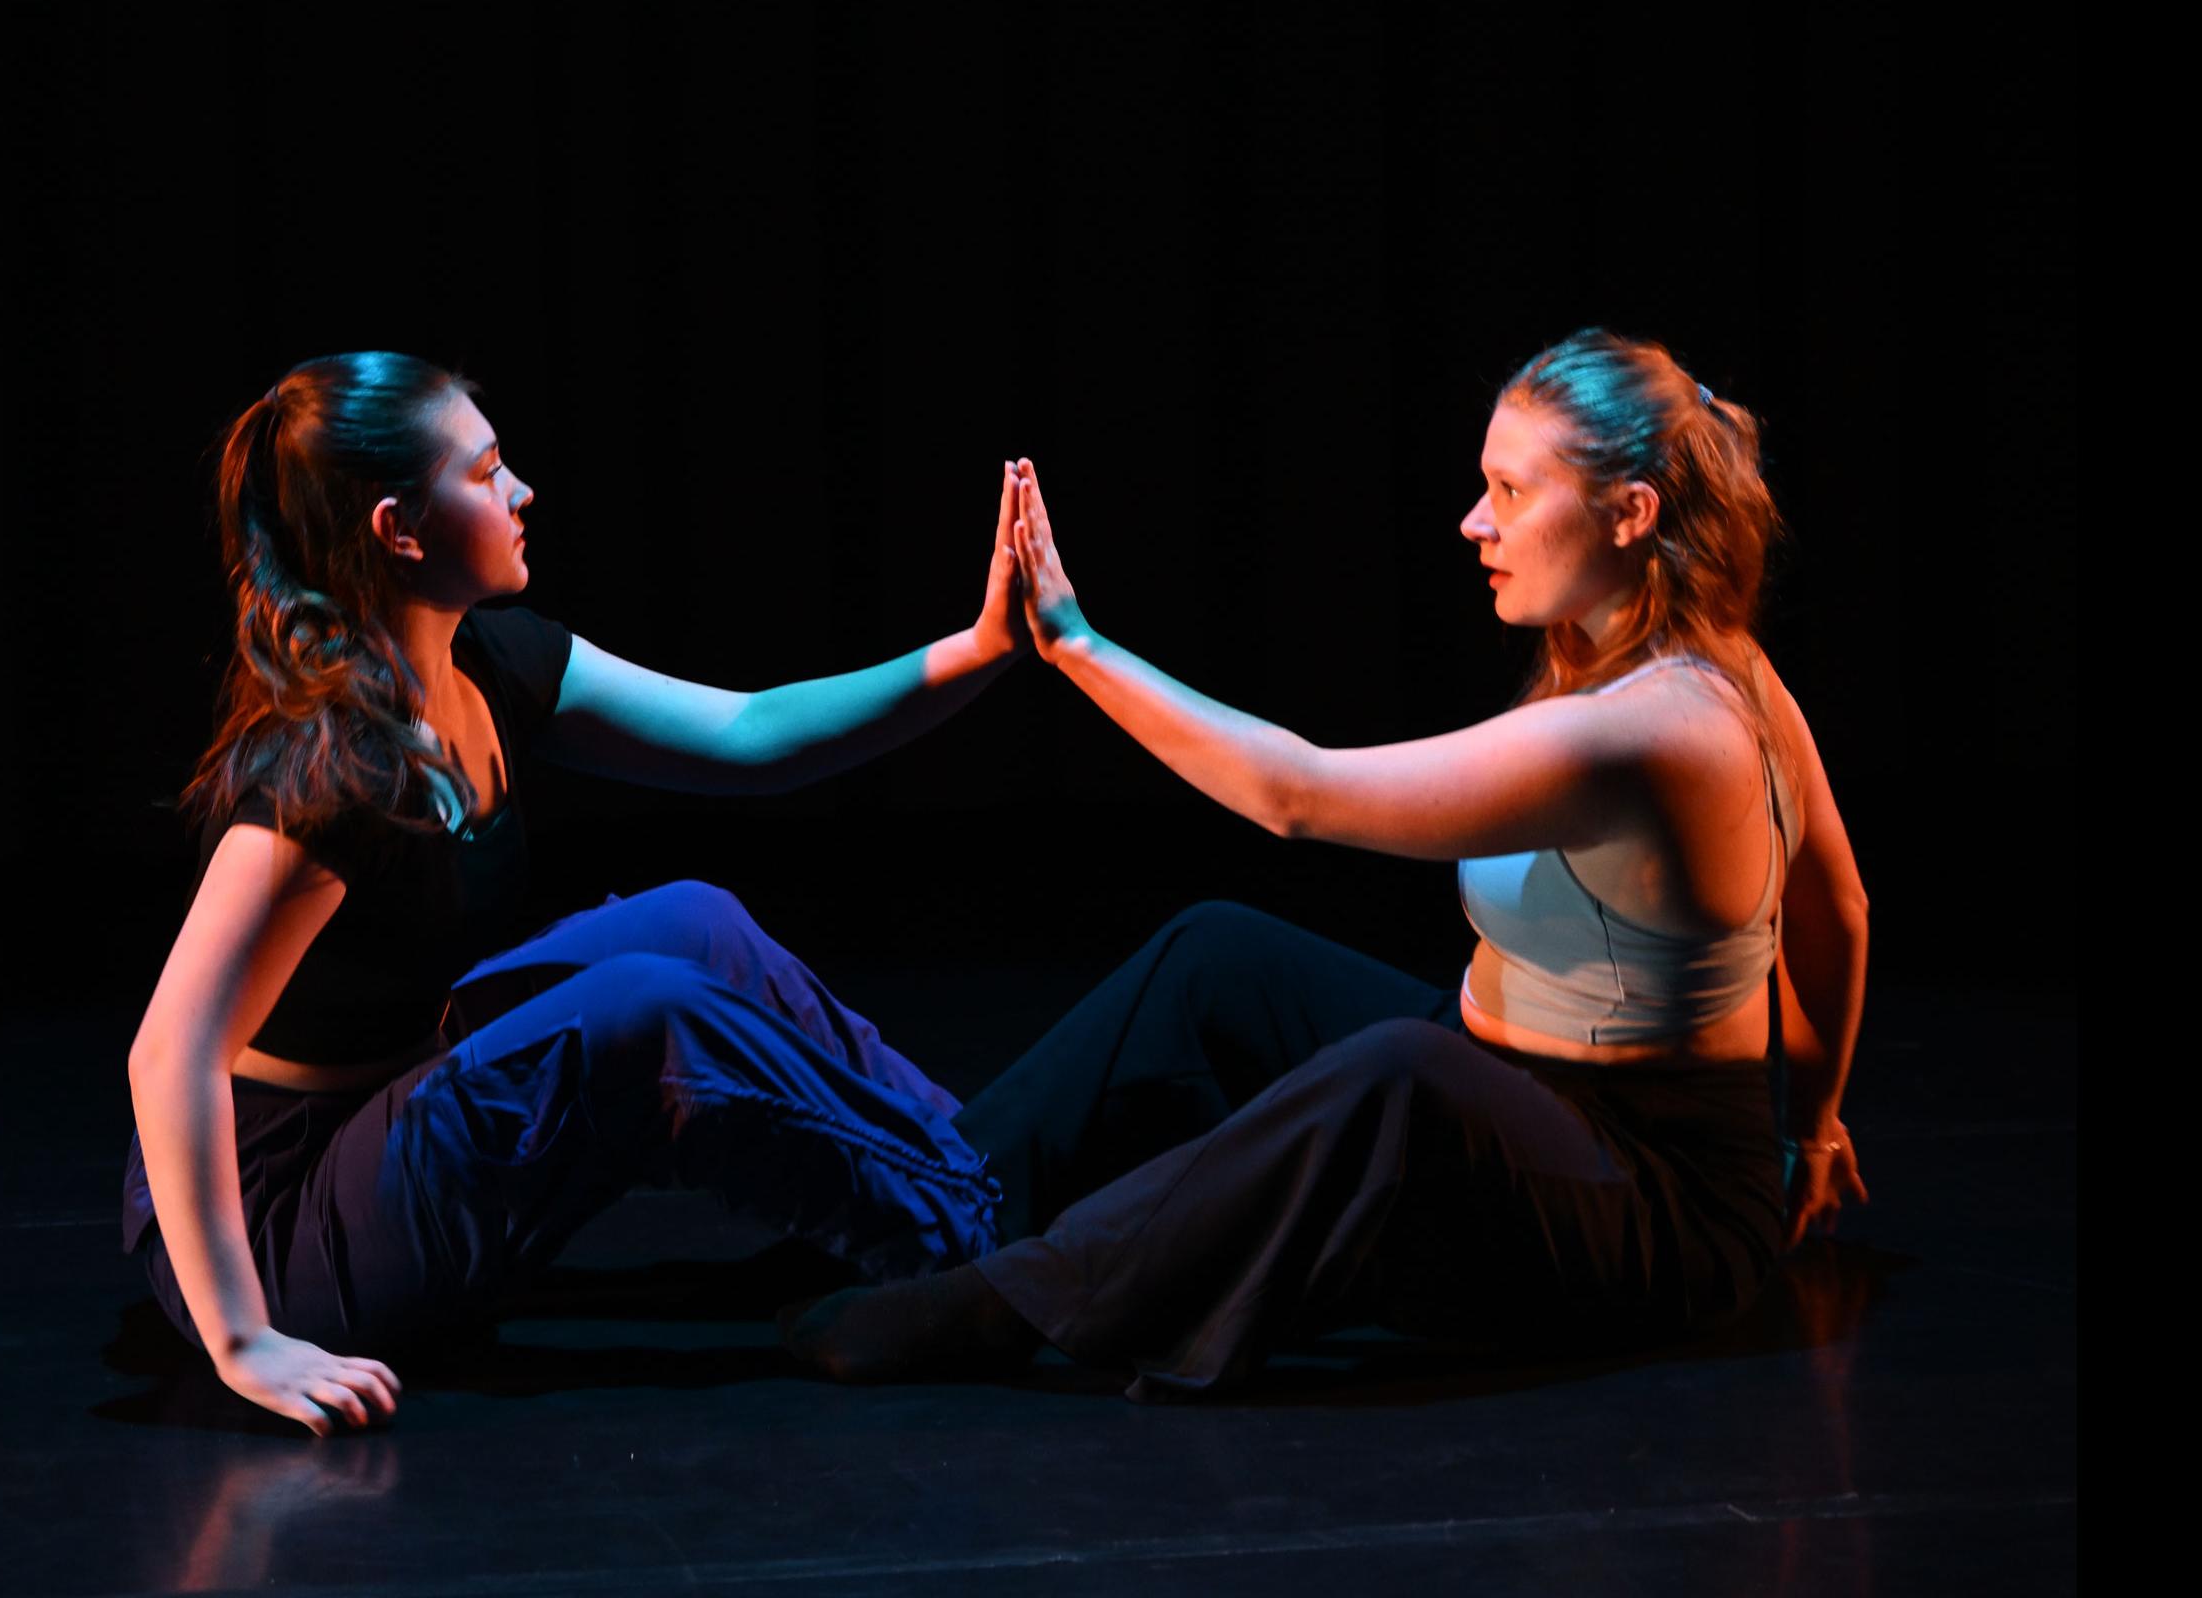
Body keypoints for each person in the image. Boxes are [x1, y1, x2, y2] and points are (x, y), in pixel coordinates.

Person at [787, 329, 1873, 1398]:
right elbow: (1839, 907)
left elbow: (1295, 794)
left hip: (1652, 1203)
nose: (1474, 520)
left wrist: (1074, 644)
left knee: (1398, 1076)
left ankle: (1010, 1302)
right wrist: (1814, 1128)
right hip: (1517, 1086)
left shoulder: (1656, 729)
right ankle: (913, 1205)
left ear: (1631, 513)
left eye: (1509, 489)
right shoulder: (1669, 662)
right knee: (1220, 956)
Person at [124, 351, 1037, 1434]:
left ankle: (973, 1170)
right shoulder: (328, 772)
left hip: (377, 1110)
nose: (521, 491)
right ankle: (992, 1252)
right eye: (488, 470)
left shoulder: (490, 666)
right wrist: (242, 1338)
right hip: (276, 1234)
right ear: (399, 529)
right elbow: (168, 1049)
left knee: (691, 919)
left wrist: (985, 648)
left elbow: (752, 737)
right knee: (643, 1010)